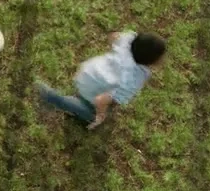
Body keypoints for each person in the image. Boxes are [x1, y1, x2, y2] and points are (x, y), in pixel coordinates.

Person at [35, 31, 167, 129]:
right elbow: (101, 100)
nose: (163, 60)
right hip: (92, 89)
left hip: (88, 71)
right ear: (150, 61)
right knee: (91, 117)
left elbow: (113, 36)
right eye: (161, 57)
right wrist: (100, 116)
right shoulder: (132, 80)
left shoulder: (128, 40)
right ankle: (54, 98)